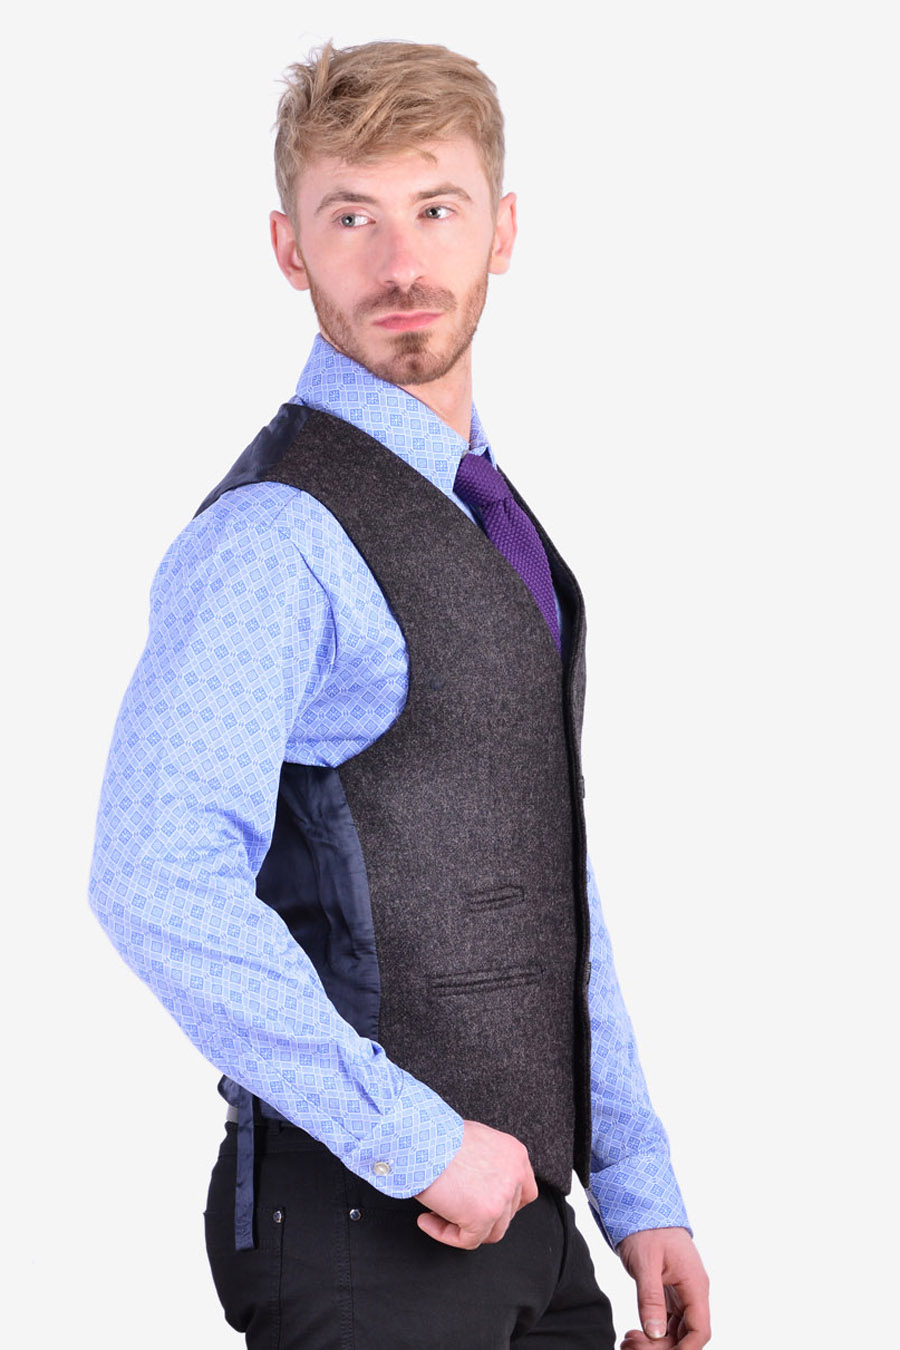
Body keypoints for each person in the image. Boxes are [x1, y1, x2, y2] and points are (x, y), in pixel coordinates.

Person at [89, 39, 710, 1350]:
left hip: (529, 1227)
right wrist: (416, 1141)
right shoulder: (275, 534)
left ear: (503, 229)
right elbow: (152, 869)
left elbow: (544, 868)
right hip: (366, 1228)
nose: (400, 263)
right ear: (289, 247)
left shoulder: (493, 518)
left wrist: (635, 1179)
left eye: (435, 208)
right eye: (350, 217)